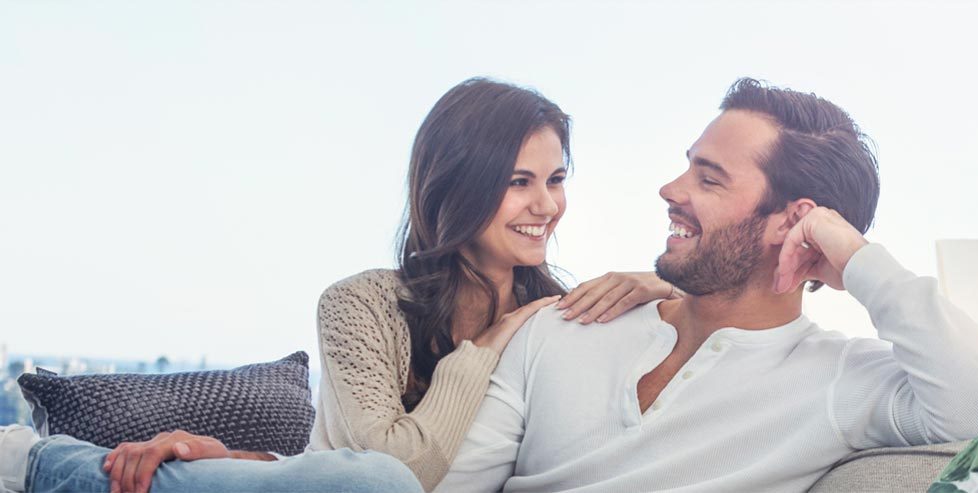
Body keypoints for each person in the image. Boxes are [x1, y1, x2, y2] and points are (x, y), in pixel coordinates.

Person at [0, 77, 678, 493]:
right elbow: (386, 473)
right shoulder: (361, 304)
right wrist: (490, 344)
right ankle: (36, 466)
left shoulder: (564, 315)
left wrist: (659, 282)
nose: (546, 206)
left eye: (556, 179)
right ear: (456, 186)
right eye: (518, 182)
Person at [434, 78, 978, 492]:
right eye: (687, 164)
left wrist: (856, 259)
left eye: (709, 178)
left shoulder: (839, 382)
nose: (671, 190)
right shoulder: (564, 325)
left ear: (792, 221)